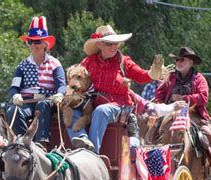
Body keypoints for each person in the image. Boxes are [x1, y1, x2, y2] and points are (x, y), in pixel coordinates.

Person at [69, 25, 169, 153]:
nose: (114, 47)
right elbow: (76, 79)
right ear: (99, 45)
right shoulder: (88, 62)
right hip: (91, 103)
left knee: (101, 111)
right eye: (109, 43)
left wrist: (152, 73)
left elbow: (141, 75)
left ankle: (92, 153)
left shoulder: (124, 62)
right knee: (68, 107)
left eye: (116, 43)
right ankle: (81, 139)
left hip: (119, 105)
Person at [155, 47, 211, 180]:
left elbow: (203, 97)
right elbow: (160, 93)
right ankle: (149, 162)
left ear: (190, 62)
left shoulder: (199, 79)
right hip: (169, 112)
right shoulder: (170, 77)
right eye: (177, 59)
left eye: (182, 59)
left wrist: (184, 98)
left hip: (193, 113)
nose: (178, 62)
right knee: (152, 131)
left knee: (205, 133)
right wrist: (160, 104)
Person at [5, 16, 66, 150]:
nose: (34, 45)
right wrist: (15, 95)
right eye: (30, 42)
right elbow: (14, 87)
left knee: (42, 104)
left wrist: (60, 94)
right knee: (12, 111)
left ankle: (41, 143)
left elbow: (61, 85)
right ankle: (22, 143)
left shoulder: (55, 64)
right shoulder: (23, 65)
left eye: (37, 42)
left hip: (46, 101)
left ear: (45, 44)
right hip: (26, 102)